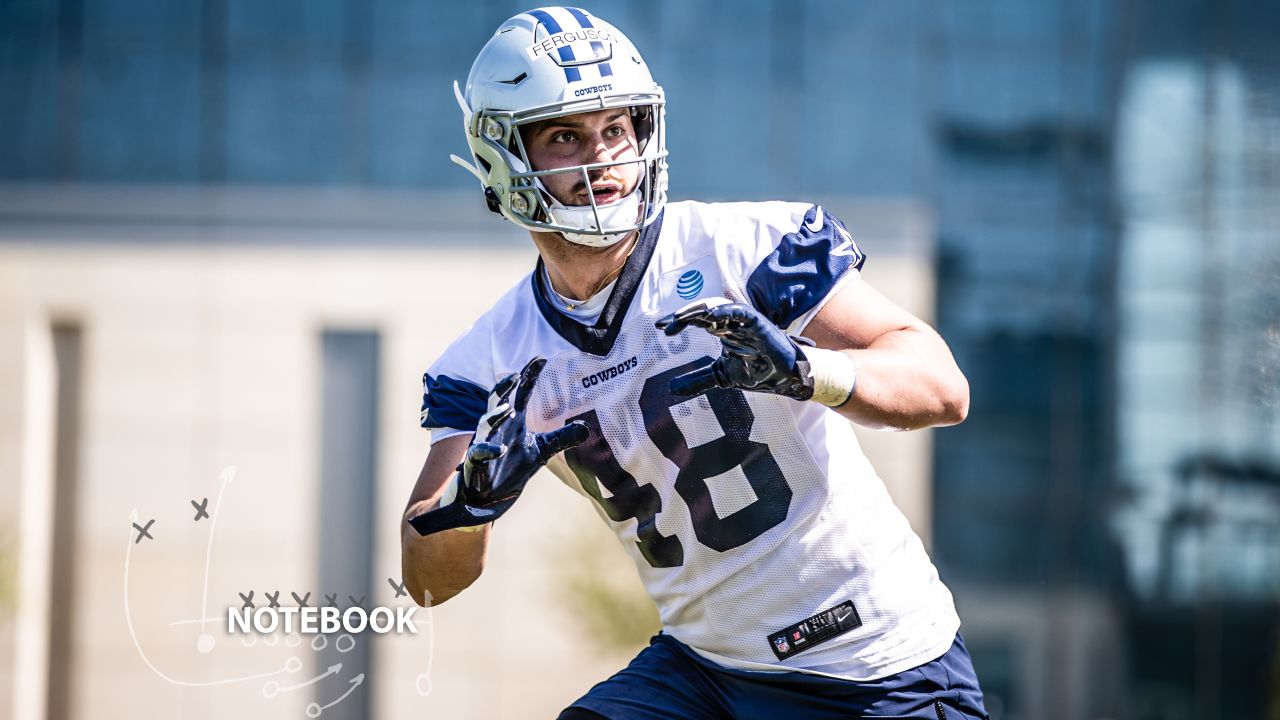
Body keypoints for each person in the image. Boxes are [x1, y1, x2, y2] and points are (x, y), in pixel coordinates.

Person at [400, 7, 988, 719]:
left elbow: (941, 386)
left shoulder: (743, 249)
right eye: (565, 135)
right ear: (504, 157)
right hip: (706, 669)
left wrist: (806, 371)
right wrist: (472, 505)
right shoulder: (489, 358)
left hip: (875, 668)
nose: (604, 157)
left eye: (616, 128)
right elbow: (427, 580)